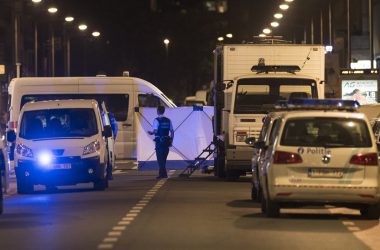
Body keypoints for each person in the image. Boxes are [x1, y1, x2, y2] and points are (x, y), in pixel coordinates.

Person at [148, 106, 174, 179]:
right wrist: (171, 141)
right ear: (164, 111)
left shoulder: (156, 120)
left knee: (160, 159)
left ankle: (164, 174)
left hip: (159, 142)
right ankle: (161, 174)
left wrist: (151, 133)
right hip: (167, 141)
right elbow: (172, 131)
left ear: (158, 111)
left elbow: (155, 131)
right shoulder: (168, 120)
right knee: (164, 159)